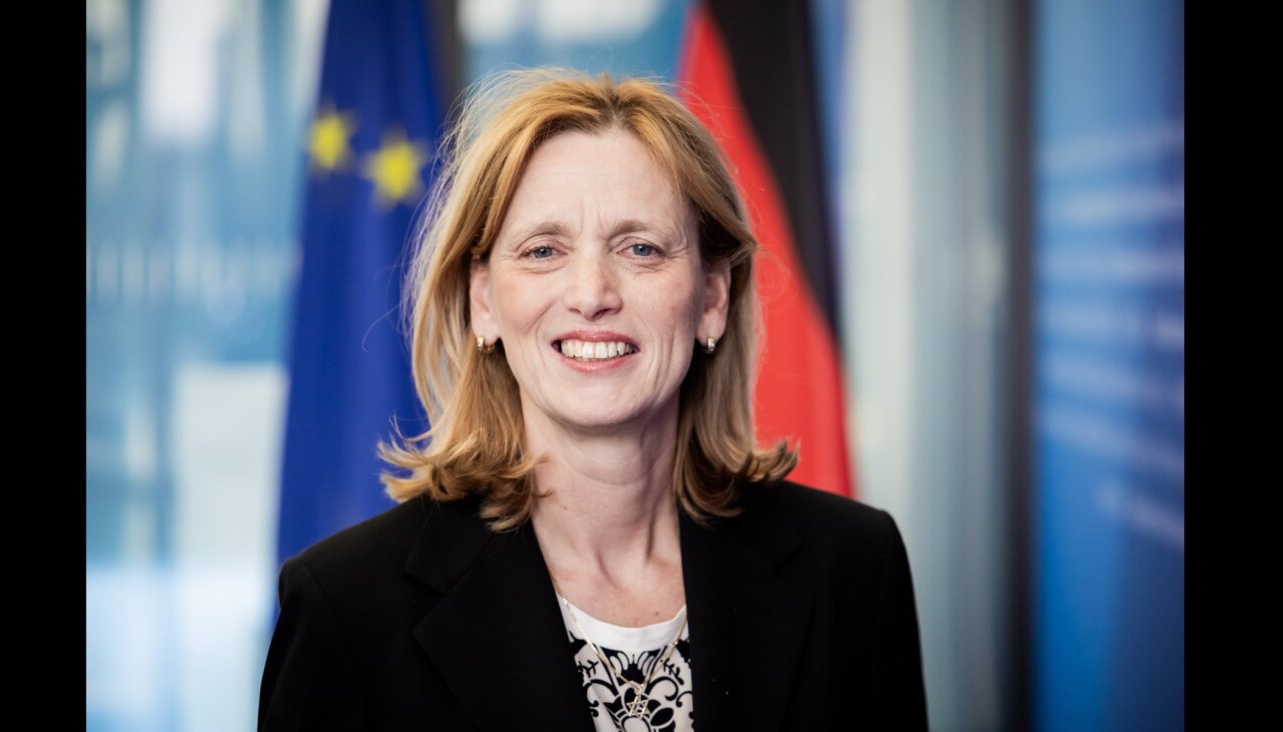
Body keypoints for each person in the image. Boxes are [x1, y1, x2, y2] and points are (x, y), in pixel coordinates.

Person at [259, 69, 927, 731]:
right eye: (544, 250)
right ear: (484, 301)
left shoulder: (854, 567)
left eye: (640, 248)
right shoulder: (345, 607)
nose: (591, 294)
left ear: (713, 298)